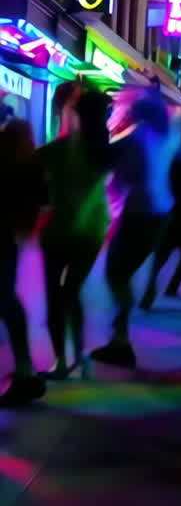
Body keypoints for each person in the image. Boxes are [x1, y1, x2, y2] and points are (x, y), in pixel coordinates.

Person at [91, 88, 181, 368]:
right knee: (122, 274)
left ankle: (121, 341)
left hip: (139, 213)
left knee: (115, 274)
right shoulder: (168, 135)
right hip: (161, 213)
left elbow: (103, 158)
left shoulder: (138, 135)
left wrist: (99, 121)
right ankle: (119, 336)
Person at [35, 88, 112, 378]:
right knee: (72, 292)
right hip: (92, 231)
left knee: (55, 296)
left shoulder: (54, 151)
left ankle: (61, 361)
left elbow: (32, 181)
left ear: (76, 114)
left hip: (59, 230)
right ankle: (78, 355)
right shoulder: (106, 152)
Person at [0, 118, 47, 406]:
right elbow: (43, 201)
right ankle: (24, 368)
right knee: (7, 298)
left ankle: (25, 372)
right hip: (10, 238)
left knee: (6, 300)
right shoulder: (33, 165)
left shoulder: (5, 161)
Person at [140, 118, 181, 309]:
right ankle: (171, 286)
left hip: (169, 211)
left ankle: (151, 289)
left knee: (162, 253)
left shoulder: (168, 157)